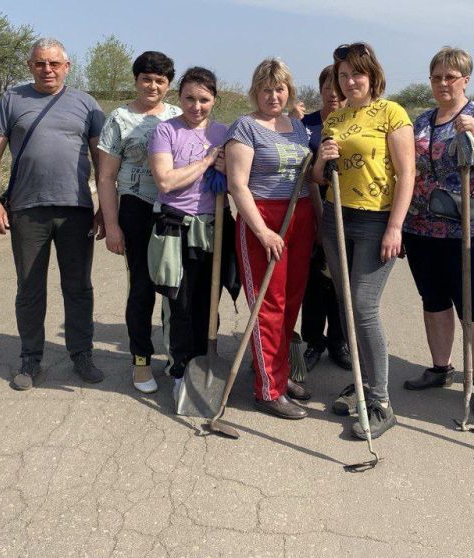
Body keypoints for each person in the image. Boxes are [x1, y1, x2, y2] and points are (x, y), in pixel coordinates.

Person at [0, 37, 106, 390]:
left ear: (67, 67)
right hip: (26, 209)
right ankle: (30, 358)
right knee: (30, 288)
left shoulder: (87, 104)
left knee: (79, 287)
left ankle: (81, 354)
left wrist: (104, 210)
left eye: (54, 63)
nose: (47, 69)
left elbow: (102, 161)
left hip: (76, 210)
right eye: (40, 63)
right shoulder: (12, 100)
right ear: (30, 66)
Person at [313, 42, 415, 440]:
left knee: (364, 306)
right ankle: (360, 382)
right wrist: (323, 157)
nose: (349, 81)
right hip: (336, 217)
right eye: (342, 75)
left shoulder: (392, 112)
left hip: (376, 220)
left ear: (372, 76)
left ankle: (380, 401)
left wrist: (395, 226)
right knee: (347, 306)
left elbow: (407, 174)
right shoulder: (336, 118)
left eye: (356, 73)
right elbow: (321, 177)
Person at [402, 47, 474, 417]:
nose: (443, 83)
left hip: (467, 230)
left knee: (472, 303)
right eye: (437, 77)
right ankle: (440, 367)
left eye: (451, 77)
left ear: (465, 79)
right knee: (433, 299)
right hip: (419, 227)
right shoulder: (421, 121)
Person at [226, 58, 317, 419]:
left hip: (302, 216)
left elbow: (309, 178)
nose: (273, 95)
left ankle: (274, 370)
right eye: (266, 89)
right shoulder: (245, 127)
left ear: (289, 91)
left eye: (279, 89)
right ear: (255, 92)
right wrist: (261, 231)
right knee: (269, 305)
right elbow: (237, 184)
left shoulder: (297, 128)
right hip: (263, 219)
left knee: (291, 301)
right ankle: (268, 389)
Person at [96, 51, 180, 394]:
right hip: (136, 207)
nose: (153, 86)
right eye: (147, 79)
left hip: (175, 210)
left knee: (177, 288)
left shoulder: (178, 115)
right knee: (142, 288)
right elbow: (105, 177)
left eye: (160, 80)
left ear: (168, 85)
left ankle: (178, 356)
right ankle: (141, 360)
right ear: (136, 80)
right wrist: (113, 226)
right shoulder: (118, 118)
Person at [147, 67, 232, 404]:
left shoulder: (224, 132)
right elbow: (166, 181)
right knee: (178, 302)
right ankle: (180, 367)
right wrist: (209, 159)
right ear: (179, 98)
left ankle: (204, 364)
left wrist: (227, 167)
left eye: (204, 99)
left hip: (215, 225)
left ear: (214, 99)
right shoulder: (165, 131)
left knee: (208, 302)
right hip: (175, 226)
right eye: (189, 98)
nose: (196, 106)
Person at [297, 65, 351, 372]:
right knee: (315, 281)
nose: (333, 93)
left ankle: (338, 341)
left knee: (342, 281)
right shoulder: (305, 125)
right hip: (317, 209)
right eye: (327, 87)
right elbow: (306, 177)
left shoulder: (357, 122)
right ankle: (314, 340)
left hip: (352, 211)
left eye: (338, 87)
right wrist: (318, 220)